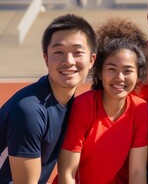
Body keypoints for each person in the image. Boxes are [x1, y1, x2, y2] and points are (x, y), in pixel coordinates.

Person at [0, 14, 96, 183]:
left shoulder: (72, 104)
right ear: (45, 58)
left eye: (77, 52)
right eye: (59, 52)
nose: (68, 61)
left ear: (91, 60)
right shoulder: (30, 111)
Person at [57, 19, 148, 183]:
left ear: (139, 74)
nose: (119, 78)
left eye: (128, 70)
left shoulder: (140, 109)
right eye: (112, 69)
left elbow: (137, 173)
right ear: (100, 72)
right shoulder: (84, 106)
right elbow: (67, 173)